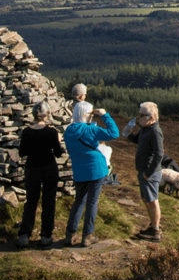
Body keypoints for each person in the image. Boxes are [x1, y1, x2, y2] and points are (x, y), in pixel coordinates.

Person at [62, 88, 118, 247]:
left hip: (79, 171)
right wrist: (104, 115)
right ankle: (87, 235)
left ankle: (70, 234)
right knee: (92, 203)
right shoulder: (92, 130)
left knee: (78, 201)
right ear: (89, 114)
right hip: (96, 170)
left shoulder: (69, 131)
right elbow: (114, 133)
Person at [16, 103, 63, 248]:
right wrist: (59, 141)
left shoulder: (27, 132)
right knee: (49, 202)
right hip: (49, 167)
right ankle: (46, 236)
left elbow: (22, 152)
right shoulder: (51, 132)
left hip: (32, 168)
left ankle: (24, 235)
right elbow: (58, 153)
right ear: (47, 114)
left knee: (31, 201)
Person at [124, 101, 165, 241]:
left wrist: (149, 173)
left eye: (142, 115)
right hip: (143, 170)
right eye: (139, 114)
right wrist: (129, 133)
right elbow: (137, 140)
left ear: (151, 117)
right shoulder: (146, 129)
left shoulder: (155, 131)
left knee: (152, 200)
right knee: (146, 199)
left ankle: (155, 231)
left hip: (149, 173)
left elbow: (159, 154)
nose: (138, 118)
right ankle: (153, 226)